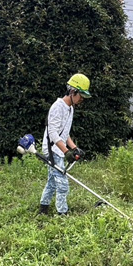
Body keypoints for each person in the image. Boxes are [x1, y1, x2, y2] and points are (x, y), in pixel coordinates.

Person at [39, 73, 91, 216]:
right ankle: (63, 213)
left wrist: (74, 148)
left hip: (58, 148)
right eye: (81, 96)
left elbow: (65, 133)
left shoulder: (70, 108)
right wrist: (66, 151)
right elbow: (53, 133)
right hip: (52, 149)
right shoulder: (58, 107)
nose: (81, 100)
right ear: (73, 91)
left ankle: (43, 209)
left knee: (52, 181)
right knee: (62, 183)